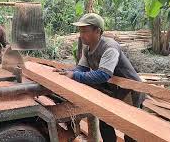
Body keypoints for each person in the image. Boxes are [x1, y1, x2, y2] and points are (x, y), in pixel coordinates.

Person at [58, 13, 144, 142]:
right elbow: (82, 68)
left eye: (85, 31)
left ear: (97, 31)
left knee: (130, 129)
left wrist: (74, 75)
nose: (81, 35)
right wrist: (68, 72)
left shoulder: (110, 47)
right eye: (80, 31)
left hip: (129, 91)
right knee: (105, 121)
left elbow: (103, 75)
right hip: (113, 90)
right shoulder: (87, 48)